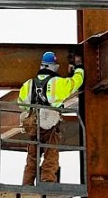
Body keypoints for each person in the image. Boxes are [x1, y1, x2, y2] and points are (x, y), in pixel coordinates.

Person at [18, 50, 84, 185]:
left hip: (33, 124)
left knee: (32, 156)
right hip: (50, 124)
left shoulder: (28, 84)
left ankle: (27, 183)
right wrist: (79, 68)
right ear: (54, 66)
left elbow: (22, 104)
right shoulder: (57, 83)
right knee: (50, 153)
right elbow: (75, 83)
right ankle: (47, 181)